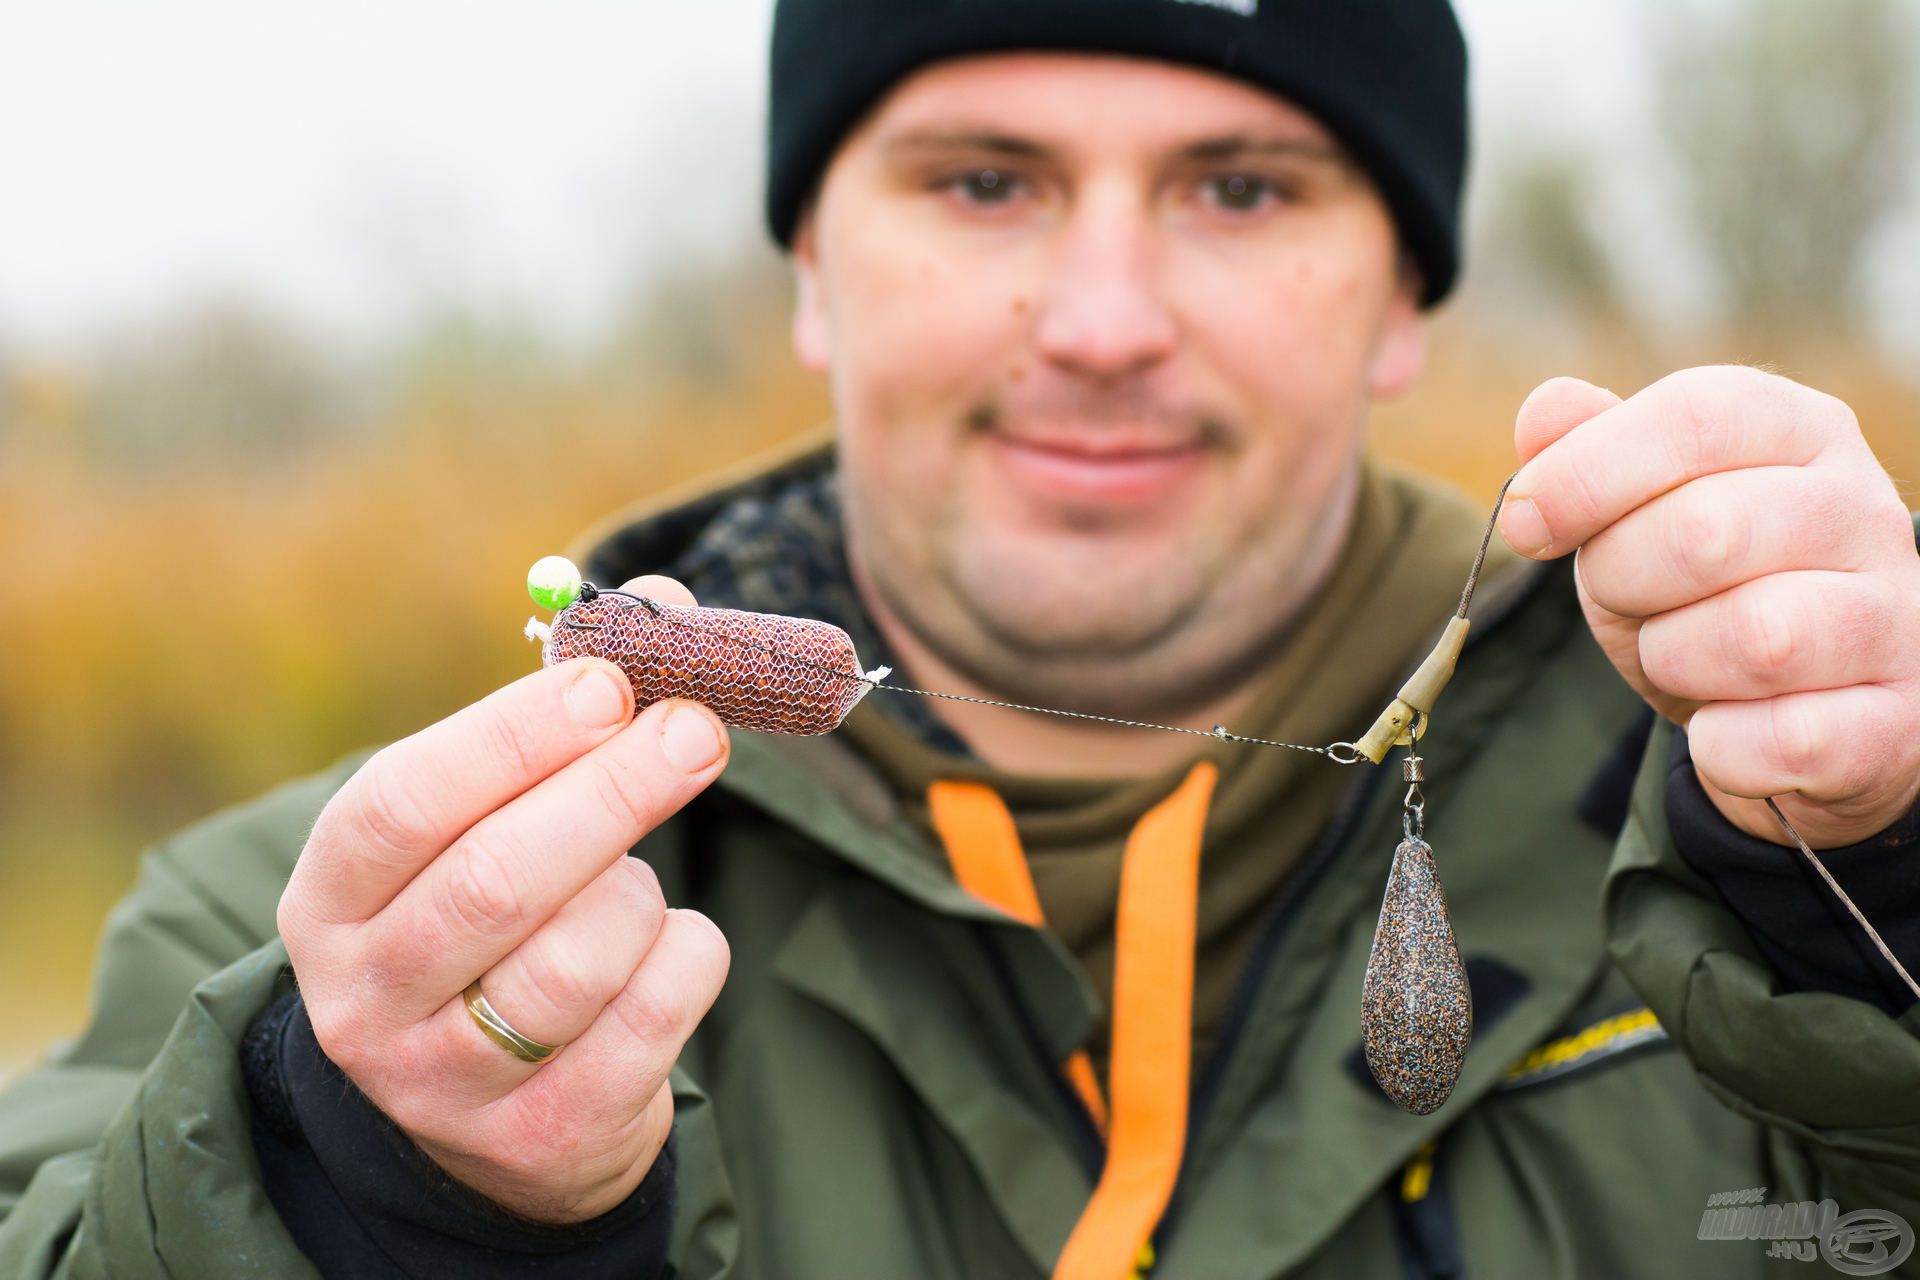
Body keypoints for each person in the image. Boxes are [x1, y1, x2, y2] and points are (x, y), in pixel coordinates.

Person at [4, 2, 1919, 1276]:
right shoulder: (293, 943)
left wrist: (1892, 871)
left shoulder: (1780, 774)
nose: (1100, 317)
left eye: (1239, 189)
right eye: (984, 181)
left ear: (1403, 296)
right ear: (813, 273)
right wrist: (369, 1187)